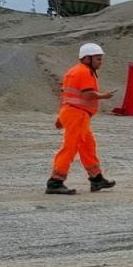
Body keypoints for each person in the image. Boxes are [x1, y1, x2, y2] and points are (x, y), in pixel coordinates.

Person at [46, 42, 118, 195]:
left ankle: (96, 179)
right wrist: (104, 96)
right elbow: (87, 94)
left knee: (87, 145)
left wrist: (60, 116)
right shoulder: (85, 72)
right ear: (87, 58)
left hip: (72, 113)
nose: (100, 62)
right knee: (70, 147)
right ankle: (55, 182)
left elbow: (65, 96)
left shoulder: (73, 71)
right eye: (98, 59)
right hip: (77, 115)